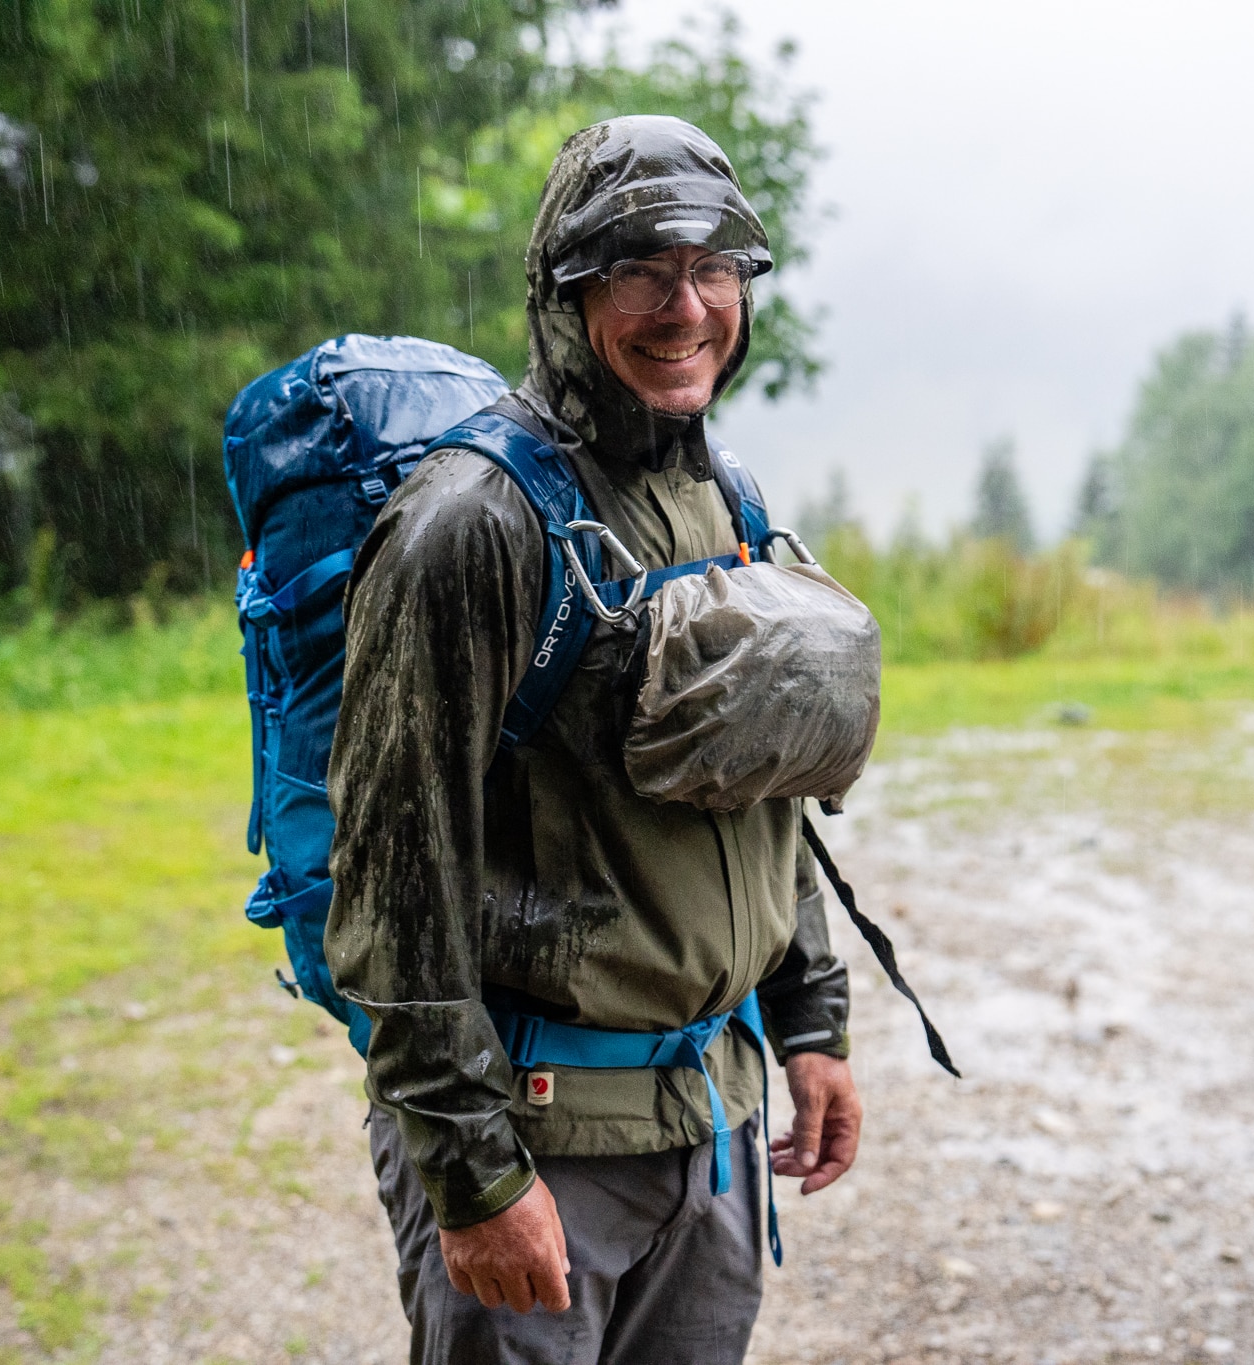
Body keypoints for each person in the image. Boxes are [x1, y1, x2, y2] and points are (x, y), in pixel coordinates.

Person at [324, 115, 862, 1364]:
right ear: (564, 295)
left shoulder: (721, 495)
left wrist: (810, 1021)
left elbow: (758, 790)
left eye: (715, 267)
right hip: (540, 1143)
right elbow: (391, 870)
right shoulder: (469, 526)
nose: (686, 307)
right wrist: (469, 1172)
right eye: (639, 270)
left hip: (711, 1132)